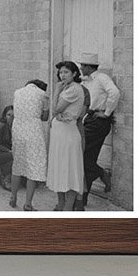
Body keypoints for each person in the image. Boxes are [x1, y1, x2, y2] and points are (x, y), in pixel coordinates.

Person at [78, 52, 120, 202]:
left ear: (89, 66)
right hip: (89, 118)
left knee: (81, 154)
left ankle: (102, 173)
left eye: (83, 65)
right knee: (88, 157)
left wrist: (107, 113)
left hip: (98, 121)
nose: (81, 68)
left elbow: (114, 93)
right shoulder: (86, 81)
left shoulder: (102, 78)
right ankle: (83, 198)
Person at [47, 61, 87, 211]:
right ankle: (61, 204)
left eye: (66, 72)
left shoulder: (74, 89)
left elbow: (56, 108)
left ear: (74, 74)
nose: (62, 75)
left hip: (68, 134)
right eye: (61, 73)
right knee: (59, 169)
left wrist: (56, 90)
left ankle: (68, 208)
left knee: (69, 171)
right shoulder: (67, 87)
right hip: (59, 134)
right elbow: (56, 112)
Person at [9, 79, 49, 211]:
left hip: (18, 129)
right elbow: (44, 116)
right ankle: (28, 203)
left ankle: (13, 197)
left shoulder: (17, 92)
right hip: (34, 130)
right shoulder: (43, 94)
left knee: (18, 164)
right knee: (34, 165)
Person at [0, 105, 14, 190]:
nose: (11, 118)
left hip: (7, 152)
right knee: (13, 156)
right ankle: (5, 179)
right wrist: (8, 150)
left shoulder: (14, 127)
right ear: (4, 115)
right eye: (9, 115)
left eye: (13, 115)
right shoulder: (1, 126)